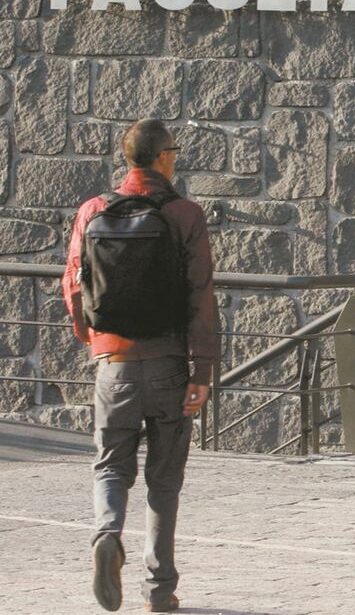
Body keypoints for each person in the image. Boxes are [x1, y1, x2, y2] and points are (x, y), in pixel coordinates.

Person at [62, 119, 218, 613]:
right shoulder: (184, 213)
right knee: (164, 481)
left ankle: (107, 534)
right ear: (163, 157)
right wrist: (203, 372)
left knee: (111, 466)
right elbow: (201, 297)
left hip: (114, 365)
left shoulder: (92, 211)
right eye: (174, 151)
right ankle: (160, 590)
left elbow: (72, 285)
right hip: (170, 363)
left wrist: (98, 341)